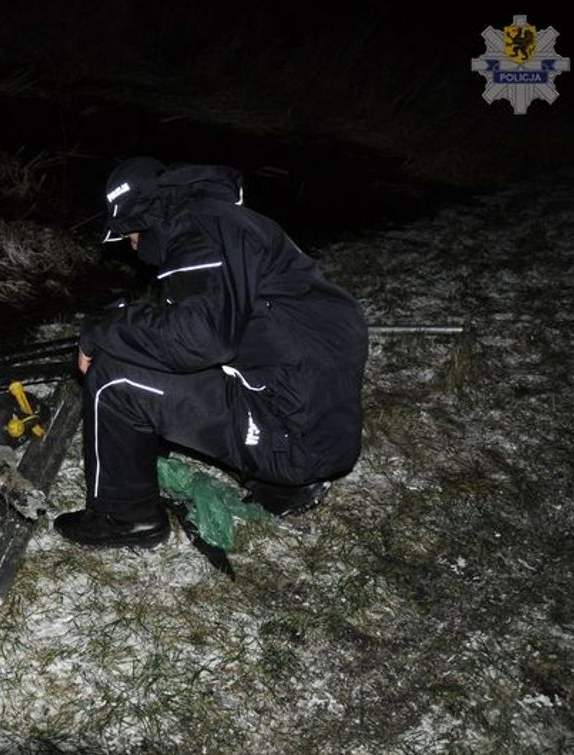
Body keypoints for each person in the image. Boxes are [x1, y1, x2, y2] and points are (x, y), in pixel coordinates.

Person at [54, 156, 368, 549]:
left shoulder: (195, 231)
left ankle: (124, 517)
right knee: (153, 344)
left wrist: (98, 330)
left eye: (128, 236)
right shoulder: (232, 224)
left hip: (294, 443)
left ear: (141, 219)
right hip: (324, 433)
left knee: (113, 375)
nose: (132, 248)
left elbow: (197, 341)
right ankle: (282, 484)